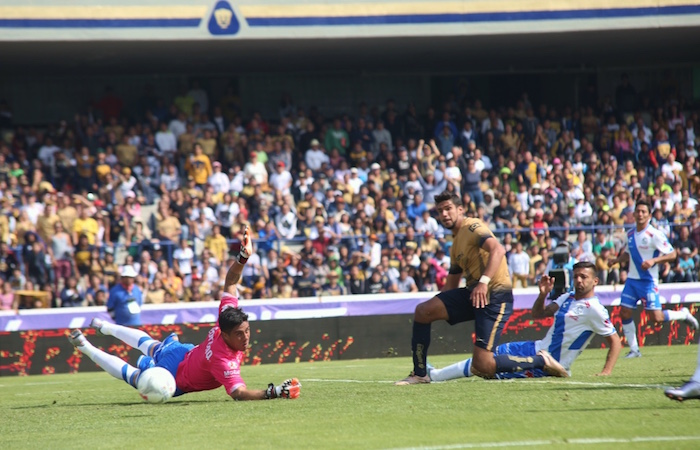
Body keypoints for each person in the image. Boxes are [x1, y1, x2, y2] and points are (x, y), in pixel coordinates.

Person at [68, 227, 301, 401]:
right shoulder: (224, 360)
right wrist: (274, 392)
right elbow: (239, 393)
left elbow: (231, 281)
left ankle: (96, 335)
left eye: (247, 331)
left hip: (184, 353)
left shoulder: (227, 316)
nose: (246, 337)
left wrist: (243, 257)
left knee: (150, 345)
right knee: (135, 375)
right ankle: (93, 340)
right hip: (175, 376)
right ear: (226, 335)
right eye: (240, 334)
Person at [395, 191, 568, 385]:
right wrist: (436, 310)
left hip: (495, 295)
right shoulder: (454, 245)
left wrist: (483, 282)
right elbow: (450, 286)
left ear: (460, 210)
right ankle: (420, 374)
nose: (444, 214)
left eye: (448, 209)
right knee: (423, 311)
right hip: (474, 294)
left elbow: (498, 250)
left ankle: (541, 360)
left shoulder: (472, 226)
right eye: (440, 211)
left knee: (482, 365)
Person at [429, 262, 621, 381]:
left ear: (595, 281)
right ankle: (436, 374)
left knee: (486, 366)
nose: (579, 280)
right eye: (576, 276)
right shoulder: (568, 297)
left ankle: (435, 376)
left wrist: (606, 372)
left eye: (584, 277)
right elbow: (538, 314)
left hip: (547, 362)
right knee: (488, 356)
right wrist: (542, 295)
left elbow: (615, 341)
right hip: (536, 348)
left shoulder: (595, 309)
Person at [608, 200, 699, 358]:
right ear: (634, 214)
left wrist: (654, 261)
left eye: (644, 211)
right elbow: (628, 254)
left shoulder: (654, 234)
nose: (641, 214)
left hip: (648, 282)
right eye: (638, 211)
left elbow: (672, 254)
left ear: (649, 215)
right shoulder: (629, 234)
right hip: (632, 281)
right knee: (624, 312)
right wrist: (616, 261)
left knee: (656, 318)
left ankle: (683, 314)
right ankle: (634, 350)